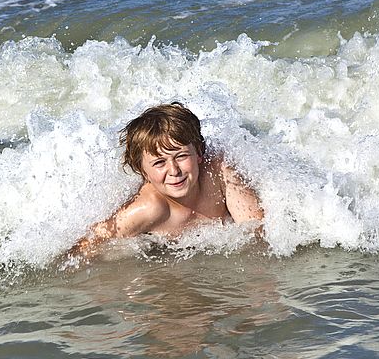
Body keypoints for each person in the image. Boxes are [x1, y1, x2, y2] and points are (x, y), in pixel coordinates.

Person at [71, 102, 264, 258]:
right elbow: (86, 246)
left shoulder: (219, 173)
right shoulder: (150, 208)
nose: (174, 170)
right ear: (143, 171)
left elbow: (258, 231)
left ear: (198, 152)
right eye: (159, 162)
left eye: (181, 156)